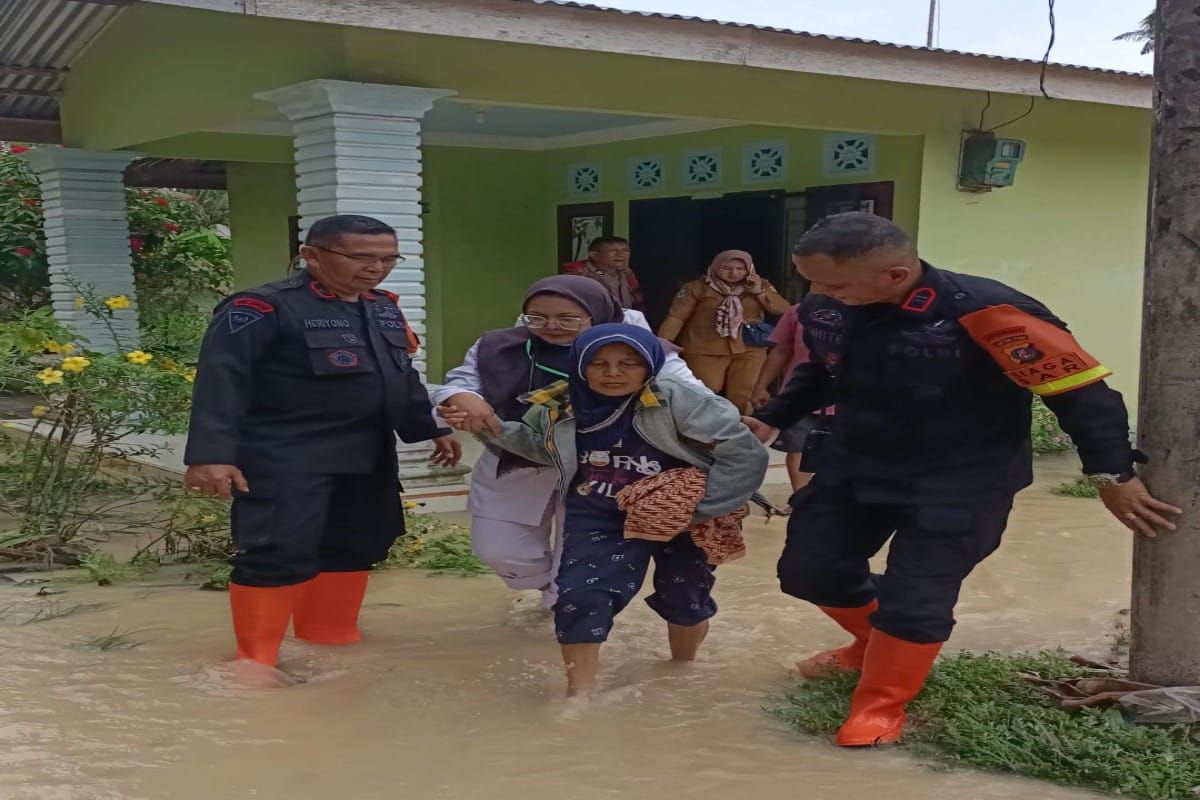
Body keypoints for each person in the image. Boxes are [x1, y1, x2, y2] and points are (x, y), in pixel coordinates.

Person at [745, 212, 1181, 747]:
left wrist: (1112, 473)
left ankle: (880, 705)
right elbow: (823, 371)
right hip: (857, 463)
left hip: (962, 479)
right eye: (809, 280)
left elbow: (1080, 393)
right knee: (810, 571)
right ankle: (872, 645)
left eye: (831, 282)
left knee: (917, 595)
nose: (814, 294)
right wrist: (776, 413)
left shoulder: (989, 312)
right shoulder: (827, 308)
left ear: (896, 275)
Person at [183, 214, 460, 676]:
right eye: (361, 258)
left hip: (366, 453)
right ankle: (255, 664)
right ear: (311, 255)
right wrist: (211, 456)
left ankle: (330, 640)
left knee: (357, 544)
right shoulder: (260, 308)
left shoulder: (384, 307)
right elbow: (222, 381)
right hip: (286, 453)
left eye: (388, 258)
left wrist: (429, 427)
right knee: (278, 550)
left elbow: (399, 375)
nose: (377, 268)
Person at [441, 323, 768, 696]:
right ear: (580, 366)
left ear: (650, 364)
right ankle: (578, 697)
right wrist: (492, 428)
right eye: (599, 364)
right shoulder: (560, 404)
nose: (613, 373)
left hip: (683, 516)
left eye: (628, 363)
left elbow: (743, 454)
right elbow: (541, 449)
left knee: (685, 598)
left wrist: (704, 509)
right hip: (598, 512)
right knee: (580, 597)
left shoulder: (682, 401)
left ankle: (681, 670)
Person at [433, 276, 706, 610]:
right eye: (537, 317)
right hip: (520, 457)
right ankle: (547, 585)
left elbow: (694, 396)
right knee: (498, 549)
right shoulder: (497, 347)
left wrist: (724, 437)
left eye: (568, 318)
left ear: (597, 313)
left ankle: (564, 610)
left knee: (578, 564)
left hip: (607, 468)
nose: (551, 326)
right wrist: (461, 396)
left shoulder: (639, 348)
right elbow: (458, 383)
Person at [659, 249, 791, 413]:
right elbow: (676, 317)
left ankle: (740, 431)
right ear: (715, 267)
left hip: (749, 348)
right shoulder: (696, 288)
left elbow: (785, 311)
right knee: (704, 391)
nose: (734, 273)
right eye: (727, 268)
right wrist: (663, 343)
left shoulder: (760, 285)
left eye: (740, 269)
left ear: (749, 269)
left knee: (745, 393)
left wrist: (758, 292)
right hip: (704, 348)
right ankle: (703, 432)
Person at [750, 303, 825, 491]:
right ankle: (801, 499)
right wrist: (760, 386)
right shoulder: (798, 312)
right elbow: (780, 351)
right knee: (797, 448)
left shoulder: (870, 311)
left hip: (849, 398)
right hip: (799, 396)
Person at [560, 235, 644, 311]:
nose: (620, 254)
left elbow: (637, 300)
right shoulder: (578, 274)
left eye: (625, 250)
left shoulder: (625, 272)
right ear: (594, 255)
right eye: (613, 250)